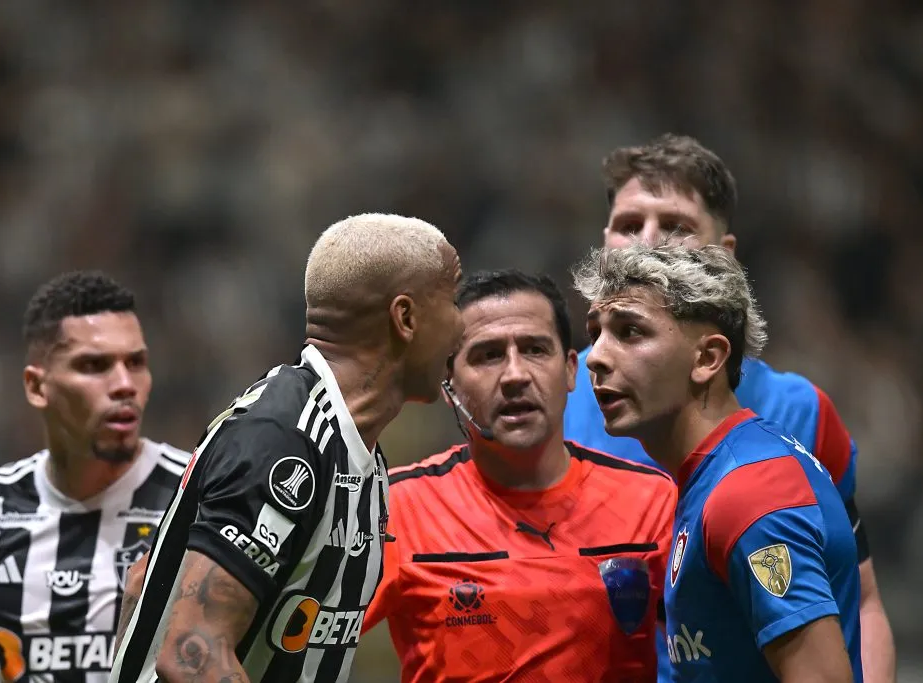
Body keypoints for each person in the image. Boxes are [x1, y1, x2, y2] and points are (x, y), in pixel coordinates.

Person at [562, 133, 895, 682]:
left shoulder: (764, 469)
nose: (647, 243)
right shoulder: (566, 404)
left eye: (674, 226)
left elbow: (857, 605)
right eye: (628, 225)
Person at [109, 213, 464, 683]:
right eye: (454, 298)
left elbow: (142, 584)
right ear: (406, 317)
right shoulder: (285, 440)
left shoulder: (356, 450)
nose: (463, 325)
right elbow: (192, 655)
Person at [362, 269, 677, 682]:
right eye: (488, 355)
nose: (515, 375)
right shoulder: (397, 509)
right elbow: (289, 643)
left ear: (570, 370)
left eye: (534, 349)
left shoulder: (654, 501)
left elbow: (716, 648)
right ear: (448, 382)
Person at [574, 243, 861, 682]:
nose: (595, 356)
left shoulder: (751, 491)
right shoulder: (711, 479)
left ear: (707, 358)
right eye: (596, 333)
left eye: (630, 332)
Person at [0, 271, 192, 683]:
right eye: (94, 365)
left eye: (136, 362)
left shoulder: (196, 498)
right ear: (37, 387)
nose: (125, 384)